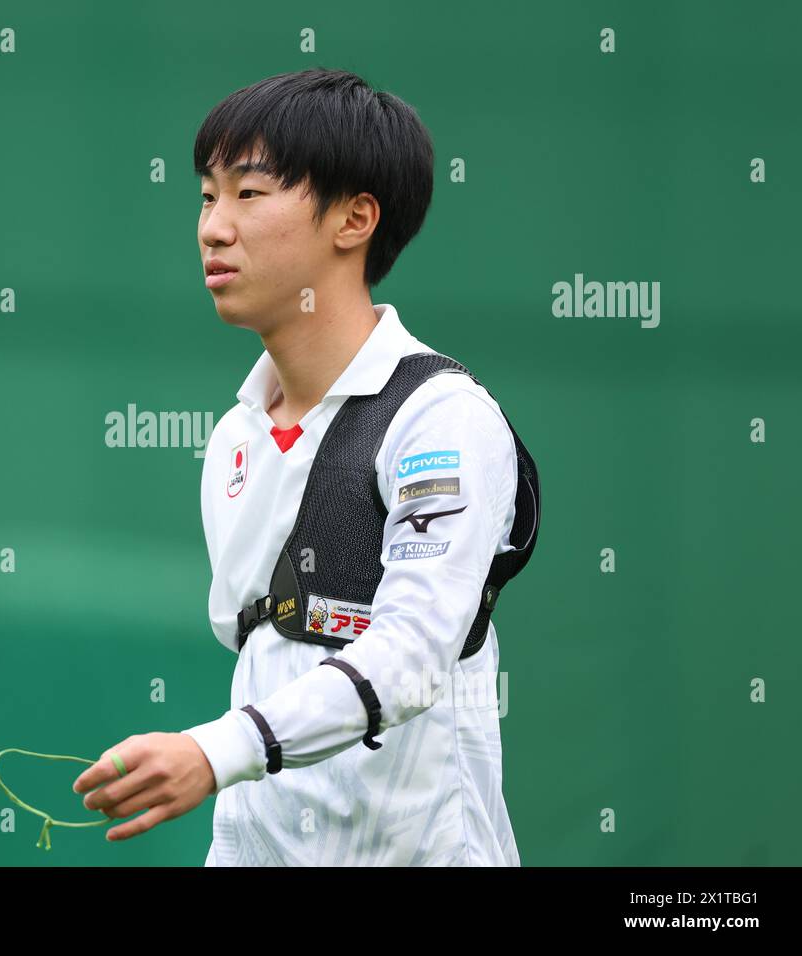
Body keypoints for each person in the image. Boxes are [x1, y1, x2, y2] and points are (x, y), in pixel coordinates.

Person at [72, 68, 531, 866]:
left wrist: (211, 753)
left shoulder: (440, 418)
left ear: (353, 219)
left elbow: (410, 659)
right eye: (207, 196)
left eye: (249, 195)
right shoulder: (233, 443)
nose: (213, 228)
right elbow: (261, 670)